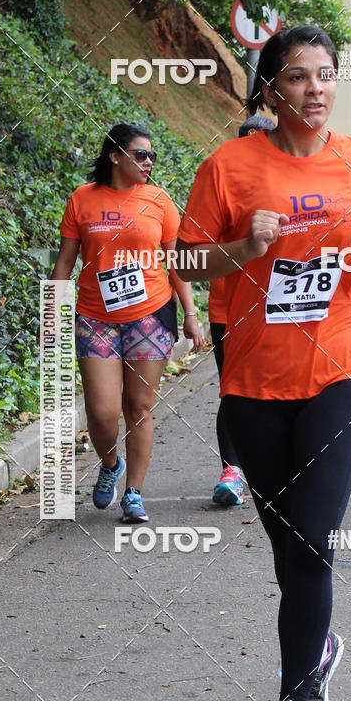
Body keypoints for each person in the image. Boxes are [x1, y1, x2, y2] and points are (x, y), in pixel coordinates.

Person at [176, 26, 351, 701]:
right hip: (253, 383)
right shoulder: (229, 166)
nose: (316, 88)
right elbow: (184, 259)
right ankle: (318, 651)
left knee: (312, 538)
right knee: (292, 553)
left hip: (342, 374)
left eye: (326, 73)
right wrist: (245, 249)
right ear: (269, 89)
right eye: (298, 76)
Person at [52, 123, 203, 522]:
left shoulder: (159, 200)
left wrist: (190, 313)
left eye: (152, 155)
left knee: (139, 406)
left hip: (150, 315)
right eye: (140, 154)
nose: (148, 162)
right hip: (95, 317)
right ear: (115, 156)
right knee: (102, 412)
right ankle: (110, 464)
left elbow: (176, 262)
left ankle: (134, 492)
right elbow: (65, 262)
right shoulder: (82, 199)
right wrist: (51, 311)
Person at [210, 114, 277, 507]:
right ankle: (232, 471)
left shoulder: (292, 184)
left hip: (282, 310)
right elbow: (195, 252)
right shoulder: (222, 184)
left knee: (278, 390)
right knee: (233, 390)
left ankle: (273, 465)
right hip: (228, 309)